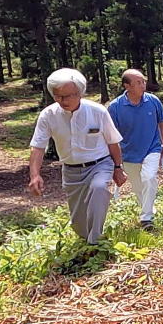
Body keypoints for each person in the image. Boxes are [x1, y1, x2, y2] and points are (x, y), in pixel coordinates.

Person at [28, 68, 127, 244]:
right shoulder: (48, 115)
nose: (63, 101)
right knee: (78, 222)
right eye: (58, 96)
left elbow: (113, 142)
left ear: (80, 92)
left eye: (68, 96)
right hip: (71, 171)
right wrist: (35, 175)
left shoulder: (97, 111)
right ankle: (86, 239)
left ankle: (95, 243)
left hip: (100, 165)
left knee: (99, 189)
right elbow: (38, 147)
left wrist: (118, 168)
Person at [107, 69, 163, 231]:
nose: (143, 85)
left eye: (144, 81)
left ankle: (146, 218)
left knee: (149, 177)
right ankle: (148, 209)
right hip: (128, 153)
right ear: (127, 86)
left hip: (152, 148)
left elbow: (162, 123)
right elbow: (111, 135)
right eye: (139, 83)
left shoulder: (153, 101)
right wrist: (114, 161)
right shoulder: (115, 107)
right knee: (138, 186)